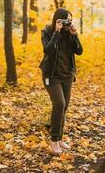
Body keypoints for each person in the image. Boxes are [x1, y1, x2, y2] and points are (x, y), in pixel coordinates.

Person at [39, 8, 83, 155]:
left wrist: (75, 35)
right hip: (51, 75)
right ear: (58, 20)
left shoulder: (69, 34)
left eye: (70, 20)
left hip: (67, 76)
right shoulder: (47, 32)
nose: (68, 23)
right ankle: (53, 141)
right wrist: (56, 32)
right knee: (59, 104)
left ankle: (59, 138)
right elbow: (48, 50)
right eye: (65, 20)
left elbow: (79, 51)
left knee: (64, 108)